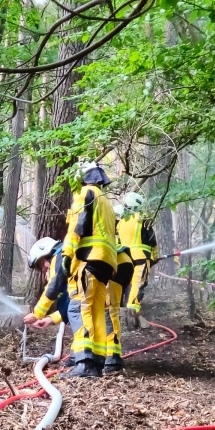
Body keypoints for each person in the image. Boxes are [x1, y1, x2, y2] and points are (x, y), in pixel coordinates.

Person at [60, 161, 127, 377]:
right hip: (108, 262)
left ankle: (85, 362)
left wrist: (67, 255)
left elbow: (77, 227)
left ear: (84, 177)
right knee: (98, 310)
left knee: (82, 308)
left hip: (89, 259)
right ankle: (97, 364)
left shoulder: (86, 193)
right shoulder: (106, 202)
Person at [115, 190, 159, 323]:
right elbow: (152, 239)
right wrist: (155, 256)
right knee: (138, 284)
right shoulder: (143, 219)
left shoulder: (122, 221)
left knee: (127, 284)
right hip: (140, 257)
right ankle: (132, 311)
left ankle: (121, 309)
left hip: (126, 259)